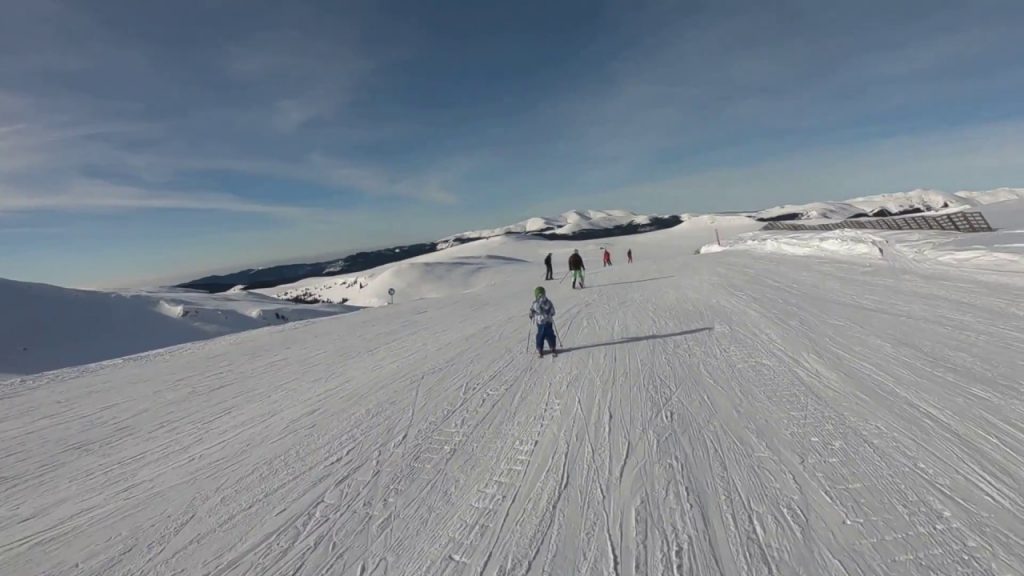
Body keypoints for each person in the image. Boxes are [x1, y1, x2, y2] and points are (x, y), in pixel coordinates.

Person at [529, 286, 557, 357]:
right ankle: (552, 346)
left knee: (540, 335)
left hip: (540, 322)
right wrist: (550, 314)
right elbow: (553, 312)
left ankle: (540, 348)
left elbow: (532, 311)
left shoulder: (535, 303)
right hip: (548, 322)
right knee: (550, 335)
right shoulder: (548, 302)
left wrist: (531, 315)